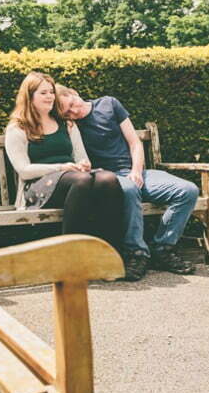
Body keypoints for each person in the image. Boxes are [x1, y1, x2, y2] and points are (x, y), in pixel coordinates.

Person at [56, 86, 198, 281]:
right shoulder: (70, 126)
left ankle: (162, 249)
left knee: (188, 191)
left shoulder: (109, 104)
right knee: (130, 189)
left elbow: (134, 143)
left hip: (135, 171)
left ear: (74, 93)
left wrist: (136, 171)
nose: (74, 111)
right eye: (67, 112)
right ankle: (137, 253)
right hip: (107, 179)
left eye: (72, 104)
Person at [4, 72, 124, 248]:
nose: (50, 96)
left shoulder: (66, 124)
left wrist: (84, 163)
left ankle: (110, 251)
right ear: (29, 97)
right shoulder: (18, 127)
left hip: (73, 179)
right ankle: (69, 253)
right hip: (37, 187)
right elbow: (23, 170)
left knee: (108, 179)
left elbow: (82, 156)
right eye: (43, 93)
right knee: (82, 181)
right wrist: (60, 167)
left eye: (51, 92)